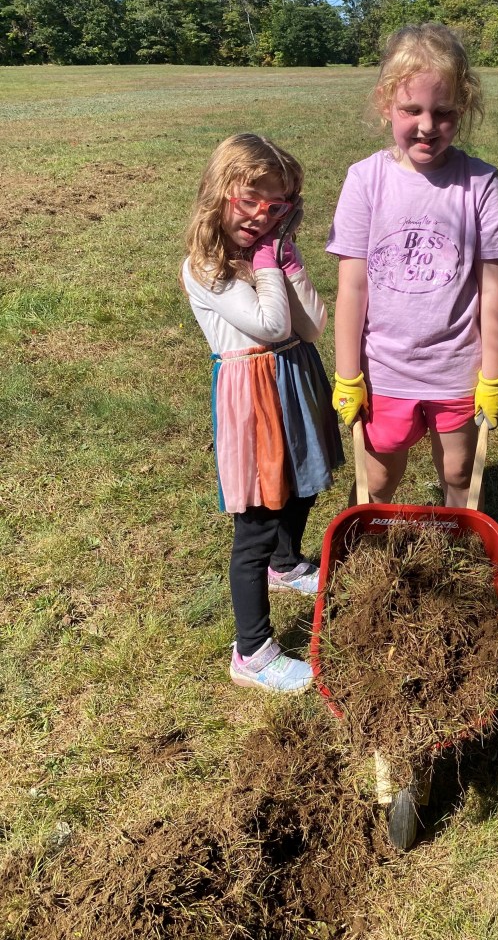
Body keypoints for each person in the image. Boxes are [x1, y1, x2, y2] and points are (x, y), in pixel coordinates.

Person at [326, 23, 498, 506]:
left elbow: (493, 289)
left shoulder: (481, 183)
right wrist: (348, 374)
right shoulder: (364, 180)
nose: (427, 126)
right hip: (383, 369)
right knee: (377, 478)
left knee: (459, 473)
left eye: (444, 112)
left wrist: (492, 374)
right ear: (385, 104)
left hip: (457, 368)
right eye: (411, 110)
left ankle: (457, 543)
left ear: (463, 109)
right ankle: (369, 541)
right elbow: (351, 288)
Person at [182, 133, 344, 692]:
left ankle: (287, 563)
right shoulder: (205, 265)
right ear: (220, 191)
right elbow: (272, 326)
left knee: (304, 484)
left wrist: (287, 260)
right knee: (256, 523)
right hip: (253, 397)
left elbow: (312, 326)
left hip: (294, 380)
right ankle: (251, 652)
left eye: (276, 207)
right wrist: (269, 263)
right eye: (251, 200)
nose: (261, 216)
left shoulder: (272, 251)